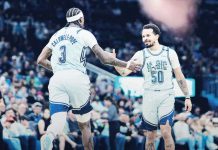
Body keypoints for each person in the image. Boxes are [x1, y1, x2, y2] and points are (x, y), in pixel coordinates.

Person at [37, 7, 141, 150]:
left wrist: (61, 69)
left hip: (57, 78)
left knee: (57, 121)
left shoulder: (56, 35)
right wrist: (127, 64)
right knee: (85, 124)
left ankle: (49, 135)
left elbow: (40, 60)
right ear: (80, 19)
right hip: (77, 78)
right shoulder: (84, 33)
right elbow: (104, 59)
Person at [112, 23, 192, 150]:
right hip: (149, 95)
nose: (145, 38)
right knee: (150, 135)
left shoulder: (169, 53)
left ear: (157, 36)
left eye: (148, 35)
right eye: (143, 36)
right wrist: (114, 61)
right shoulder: (140, 54)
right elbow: (124, 72)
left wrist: (187, 96)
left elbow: (179, 76)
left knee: (166, 132)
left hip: (166, 95)